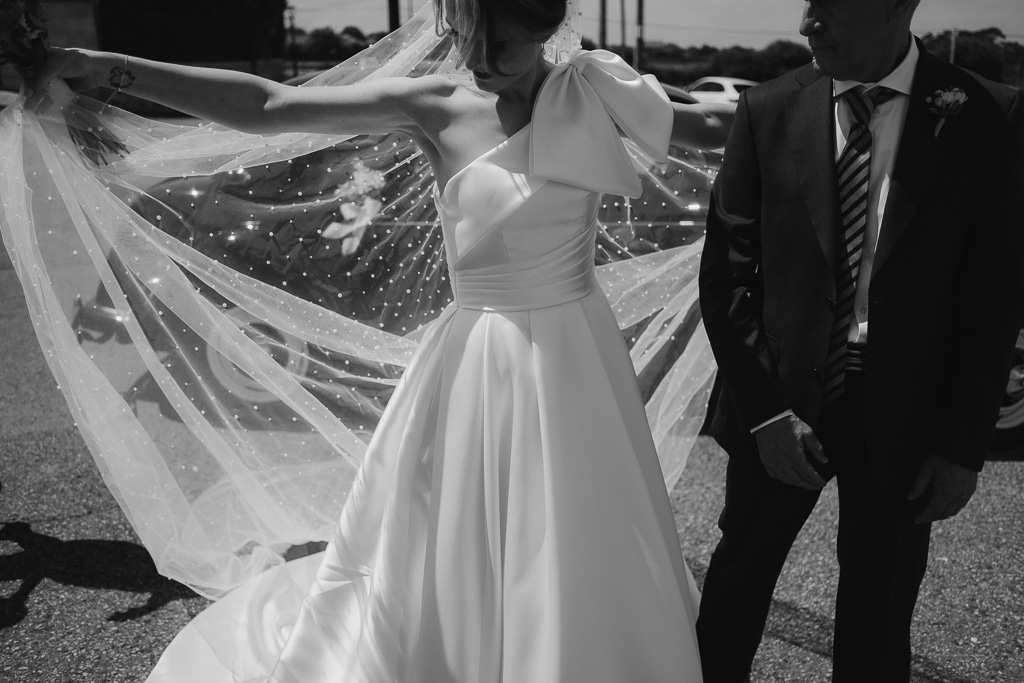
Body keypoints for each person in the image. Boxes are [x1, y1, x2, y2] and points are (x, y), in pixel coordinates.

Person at [26, 0, 732, 680]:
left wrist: (832, 84)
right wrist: (107, 64)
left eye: (503, 44)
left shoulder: (596, 90)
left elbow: (717, 125)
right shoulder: (437, 105)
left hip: (577, 355)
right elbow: (271, 106)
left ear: (550, 27)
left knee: (579, 530)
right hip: (477, 359)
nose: (480, 60)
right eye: (467, 35)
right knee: (457, 539)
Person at [696, 0, 1024, 681]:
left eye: (829, 7)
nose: (807, 22)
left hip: (907, 415)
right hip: (778, 406)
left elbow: (994, 295)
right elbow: (726, 278)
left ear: (895, 7)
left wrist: (962, 445)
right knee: (733, 595)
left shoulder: (990, 114)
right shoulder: (767, 108)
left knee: (878, 620)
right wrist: (765, 412)